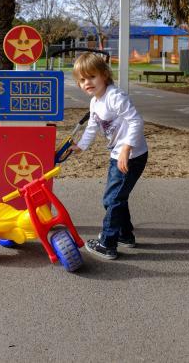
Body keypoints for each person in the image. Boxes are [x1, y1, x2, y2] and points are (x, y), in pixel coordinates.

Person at [70, 52, 148, 260]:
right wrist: (81, 146)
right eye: (83, 80)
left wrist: (126, 148)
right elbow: (93, 126)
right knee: (116, 198)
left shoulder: (115, 96)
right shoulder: (95, 102)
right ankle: (125, 235)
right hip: (119, 153)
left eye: (92, 76)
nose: (88, 82)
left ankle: (108, 244)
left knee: (112, 198)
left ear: (104, 75)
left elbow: (136, 121)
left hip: (132, 155)